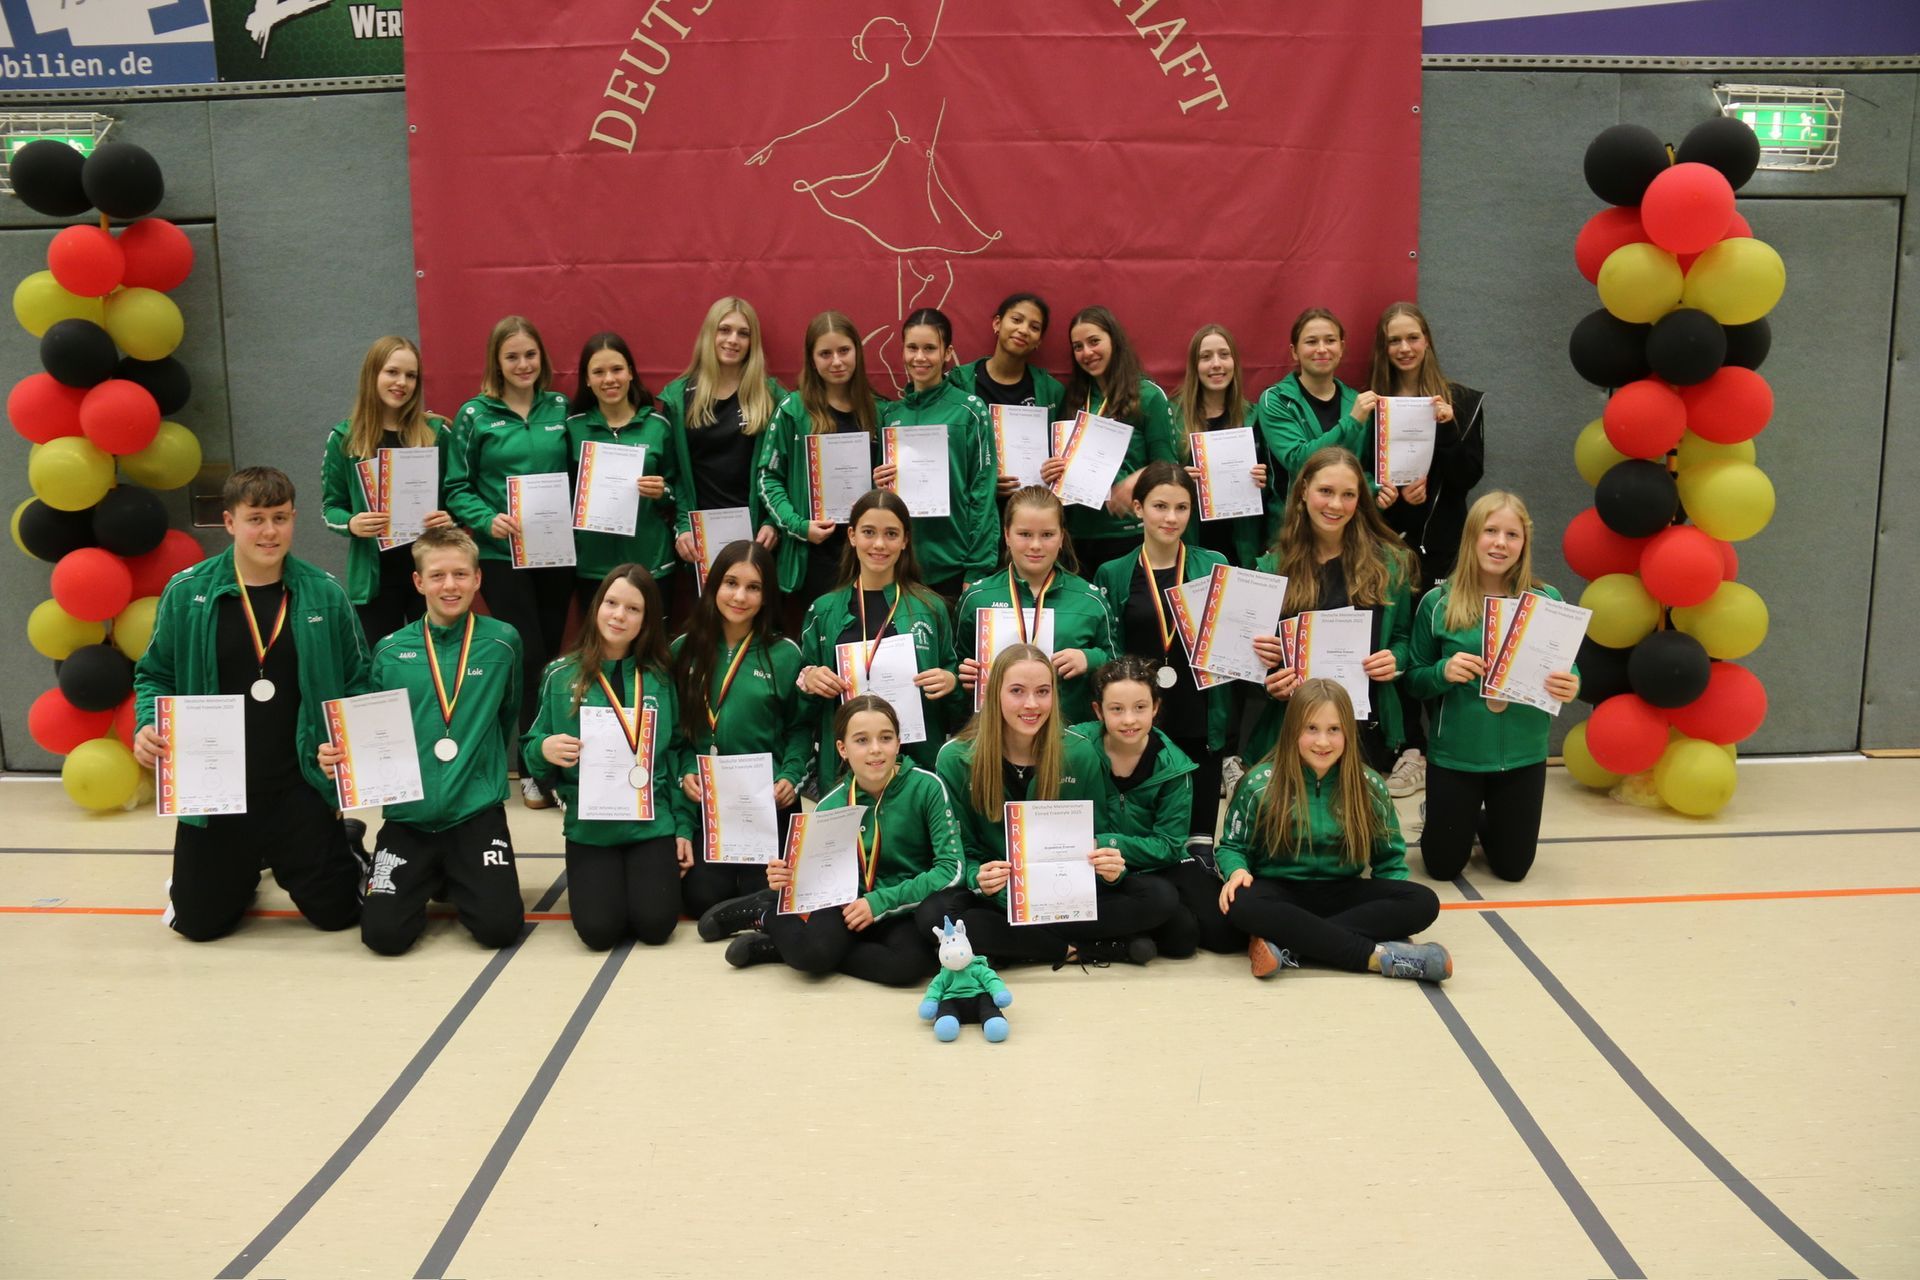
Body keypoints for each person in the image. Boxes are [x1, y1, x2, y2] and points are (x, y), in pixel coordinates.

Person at [133, 466, 367, 942]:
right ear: (230, 522)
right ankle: (241, 865)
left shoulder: (325, 593)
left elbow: (358, 680)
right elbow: (154, 674)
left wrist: (345, 746)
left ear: (294, 519)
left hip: (298, 785)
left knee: (338, 914)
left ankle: (346, 842)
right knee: (199, 925)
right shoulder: (187, 593)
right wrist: (146, 725)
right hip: (216, 790)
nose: (269, 532)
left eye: (280, 518)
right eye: (255, 519)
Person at [320, 527, 524, 955]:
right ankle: (363, 855)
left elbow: (507, 713)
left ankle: (449, 873)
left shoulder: (503, 642)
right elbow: (370, 731)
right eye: (437, 576)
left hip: (474, 812)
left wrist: (479, 772)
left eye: (460, 574)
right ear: (418, 582)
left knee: (499, 929)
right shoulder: (390, 651)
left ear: (477, 578)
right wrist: (338, 755)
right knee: (383, 937)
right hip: (409, 816)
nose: (450, 585)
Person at [925, 645, 1175, 969]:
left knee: (1160, 897)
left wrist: (1112, 870)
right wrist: (978, 877)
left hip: (1062, 893)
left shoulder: (1079, 753)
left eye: (1042, 692)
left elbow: (1096, 836)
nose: (1031, 704)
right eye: (1017, 691)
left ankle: (1017, 946)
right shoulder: (956, 757)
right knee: (934, 915)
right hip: (999, 897)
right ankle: (1082, 948)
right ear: (994, 693)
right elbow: (962, 852)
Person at [1216, 679, 1451, 982]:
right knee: (1241, 903)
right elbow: (1232, 846)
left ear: (1349, 732)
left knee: (1423, 902)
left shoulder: (1369, 785)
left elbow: (1389, 860)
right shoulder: (1260, 782)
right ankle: (1377, 957)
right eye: (1311, 728)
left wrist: (1394, 913)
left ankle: (1288, 943)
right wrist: (1236, 871)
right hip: (1280, 891)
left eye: (1334, 730)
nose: (1323, 742)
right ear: (1291, 730)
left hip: (1343, 890)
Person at [717, 695, 962, 984]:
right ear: (842, 749)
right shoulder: (830, 805)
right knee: (812, 954)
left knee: (907, 967)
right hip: (848, 904)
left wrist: (880, 901)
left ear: (898, 743)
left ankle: (778, 949)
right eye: (862, 740)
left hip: (902, 905)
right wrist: (788, 878)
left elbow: (951, 868)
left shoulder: (927, 787)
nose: (875, 749)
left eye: (885, 738)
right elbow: (818, 879)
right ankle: (766, 912)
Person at [1405, 493, 1577, 884]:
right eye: (1491, 531)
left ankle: (1477, 820)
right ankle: (1446, 814)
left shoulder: (1546, 600)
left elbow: (1570, 666)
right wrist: (1442, 671)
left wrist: (1571, 683)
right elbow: (1413, 679)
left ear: (1524, 543)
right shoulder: (1438, 602)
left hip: (1523, 756)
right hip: (1457, 757)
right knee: (1442, 867)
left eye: (1512, 534)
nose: (1500, 543)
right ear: (1472, 537)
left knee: (1513, 870)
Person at [524, 565, 697, 951]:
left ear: (647, 620)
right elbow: (532, 749)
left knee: (656, 926)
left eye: (633, 609)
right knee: (599, 932)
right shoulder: (560, 675)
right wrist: (543, 749)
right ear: (596, 607)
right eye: (611, 603)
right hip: (591, 828)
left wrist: (683, 828)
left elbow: (679, 752)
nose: (619, 615)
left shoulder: (661, 678)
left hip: (650, 825)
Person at [443, 315, 573, 808]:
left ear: (542, 358)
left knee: (552, 659)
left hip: (557, 554)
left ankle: (547, 760)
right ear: (497, 362)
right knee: (529, 654)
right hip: (502, 555)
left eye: (530, 355)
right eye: (512, 356)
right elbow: (456, 486)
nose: (523, 364)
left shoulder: (561, 408)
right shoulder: (475, 415)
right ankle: (531, 768)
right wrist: (486, 519)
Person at [1367, 301, 1488, 800]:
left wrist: (1448, 426)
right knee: (1395, 642)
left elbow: (1469, 475)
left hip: (1441, 545)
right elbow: (1355, 470)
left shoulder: (1461, 401)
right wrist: (1381, 493)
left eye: (1412, 337)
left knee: (1441, 644)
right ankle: (1408, 749)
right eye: (1394, 340)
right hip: (1386, 544)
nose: (1404, 348)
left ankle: (1445, 748)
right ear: (1384, 348)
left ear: (1427, 341)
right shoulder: (1372, 403)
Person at [1247, 447, 1416, 774]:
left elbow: (1403, 638)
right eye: (1325, 491)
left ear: (1360, 499)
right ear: (1303, 491)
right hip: (1295, 731)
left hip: (1365, 731)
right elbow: (1255, 660)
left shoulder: (1392, 563)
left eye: (1348, 494)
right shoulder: (1272, 567)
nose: (1336, 505)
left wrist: (1395, 660)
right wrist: (1269, 680)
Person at [1089, 462, 1231, 849]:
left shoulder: (1214, 565)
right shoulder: (1112, 572)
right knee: (1147, 841)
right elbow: (1110, 651)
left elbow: (1233, 640)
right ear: (1138, 508)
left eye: (1181, 508)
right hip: (1137, 722)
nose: (1171, 518)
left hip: (1198, 716)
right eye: (1160, 506)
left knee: (1198, 847)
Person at [668, 540, 809, 924]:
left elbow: (800, 728)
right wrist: (686, 771)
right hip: (709, 804)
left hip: (768, 802)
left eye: (753, 587)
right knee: (700, 897)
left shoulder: (786, 654)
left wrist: (790, 775)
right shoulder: (682, 650)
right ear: (714, 585)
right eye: (731, 583)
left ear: (767, 595)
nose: (740, 596)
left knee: (770, 891)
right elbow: (674, 735)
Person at [1068, 657, 1244, 958]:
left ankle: (1134, 927)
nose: (1129, 720)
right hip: (1090, 864)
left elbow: (1169, 845)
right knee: (1179, 930)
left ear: (1155, 708)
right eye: (1116, 709)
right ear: (1098, 711)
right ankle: (1122, 939)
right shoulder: (1073, 747)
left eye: (1140, 707)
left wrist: (1109, 843)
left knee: (1219, 934)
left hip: (1151, 864)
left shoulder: (1175, 766)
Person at [796, 490, 958, 784]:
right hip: (846, 772)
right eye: (869, 532)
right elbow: (801, 705)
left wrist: (951, 681)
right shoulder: (823, 610)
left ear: (905, 540)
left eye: (891, 534)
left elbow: (956, 688)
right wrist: (809, 680)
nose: (879, 544)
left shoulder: (932, 608)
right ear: (852, 536)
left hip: (916, 767)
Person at [320, 335, 455, 645]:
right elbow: (330, 508)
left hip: (433, 573)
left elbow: (459, 495)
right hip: (375, 581)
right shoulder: (345, 437)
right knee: (380, 663)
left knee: (437, 661)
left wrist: (451, 519)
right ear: (373, 374)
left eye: (411, 375)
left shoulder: (437, 433)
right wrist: (352, 523)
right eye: (392, 372)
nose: (402, 383)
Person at [755, 310, 889, 614]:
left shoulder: (880, 411)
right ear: (812, 359)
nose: (836, 361)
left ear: (857, 352)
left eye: (844, 351)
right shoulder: (793, 410)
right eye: (825, 354)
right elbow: (767, 478)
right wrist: (799, 526)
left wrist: (883, 483)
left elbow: (891, 486)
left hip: (869, 553)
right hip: (813, 555)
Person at [953, 485, 1115, 727]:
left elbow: (1117, 665)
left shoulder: (1090, 600)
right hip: (995, 733)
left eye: (1047, 534)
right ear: (1007, 535)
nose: (1036, 545)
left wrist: (1089, 658)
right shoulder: (977, 597)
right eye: (1025, 534)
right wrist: (962, 676)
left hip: (1068, 734)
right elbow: (954, 666)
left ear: (1062, 537)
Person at [659, 297, 787, 586]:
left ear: (753, 342)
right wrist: (683, 527)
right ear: (710, 334)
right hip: (700, 540)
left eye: (743, 333)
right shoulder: (679, 397)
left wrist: (772, 522)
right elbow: (674, 474)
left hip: (756, 536)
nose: (733, 340)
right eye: (724, 330)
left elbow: (785, 470)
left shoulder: (772, 396)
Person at [876, 307, 996, 597]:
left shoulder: (969, 410)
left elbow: (983, 492)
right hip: (900, 565)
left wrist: (977, 568)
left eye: (929, 348)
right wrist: (878, 483)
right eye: (912, 348)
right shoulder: (891, 414)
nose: (920, 357)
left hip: (954, 566)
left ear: (947, 353)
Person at [1050, 305, 1178, 572]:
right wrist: (1050, 471)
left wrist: (1137, 478)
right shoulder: (1073, 399)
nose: (1087, 352)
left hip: (1128, 530)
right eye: (1078, 347)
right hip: (1078, 533)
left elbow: (1169, 467)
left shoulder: (1148, 396)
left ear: (1114, 340)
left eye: (1094, 341)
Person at [565, 331, 681, 614]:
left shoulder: (658, 426)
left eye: (617, 369)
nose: (609, 379)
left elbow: (679, 490)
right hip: (593, 567)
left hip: (651, 563)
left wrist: (662, 492)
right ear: (587, 380)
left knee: (652, 641)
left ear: (630, 372)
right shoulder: (572, 428)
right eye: (598, 372)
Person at [1172, 323, 1270, 567]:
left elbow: (1274, 490)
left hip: (1241, 545)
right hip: (1190, 543)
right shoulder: (1173, 416)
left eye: (1224, 355)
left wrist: (1262, 481)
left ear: (1234, 362)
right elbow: (1158, 478)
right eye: (1206, 357)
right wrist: (1178, 479)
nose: (1216, 364)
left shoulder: (1254, 416)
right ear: (1194, 366)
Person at [1254, 308, 1369, 502]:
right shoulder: (1274, 400)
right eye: (1311, 342)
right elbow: (1299, 461)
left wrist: (1378, 492)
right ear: (1295, 351)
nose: (1322, 349)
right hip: (1294, 517)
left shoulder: (1357, 403)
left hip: (1345, 515)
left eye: (1330, 341)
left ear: (1341, 348)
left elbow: (1363, 471)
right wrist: (1352, 422)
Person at [947, 291, 1065, 418]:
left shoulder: (1052, 392)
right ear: (997, 323)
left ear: (1039, 341)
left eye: (1034, 327)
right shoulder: (958, 381)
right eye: (1016, 320)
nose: (1024, 330)